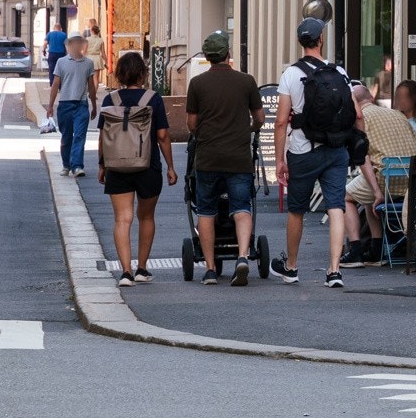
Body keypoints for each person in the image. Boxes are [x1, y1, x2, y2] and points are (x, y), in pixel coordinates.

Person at [272, 17, 360, 289]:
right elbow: (357, 114)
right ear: (321, 39)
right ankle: (334, 270)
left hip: (302, 150)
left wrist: (279, 160)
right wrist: (359, 145)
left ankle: (291, 267)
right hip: (336, 150)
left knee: (297, 210)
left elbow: (281, 121)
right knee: (335, 206)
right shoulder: (340, 72)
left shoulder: (291, 74)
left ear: (301, 42)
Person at [184, 31, 263, 286]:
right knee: (241, 207)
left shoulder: (197, 84)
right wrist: (249, 129)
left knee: (206, 210)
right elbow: (260, 118)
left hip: (208, 158)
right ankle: (242, 256)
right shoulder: (246, 81)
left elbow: (191, 124)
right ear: (228, 54)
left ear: (207, 57)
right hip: (238, 157)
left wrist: (203, 134)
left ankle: (209, 269)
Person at [98, 51, 177, 286]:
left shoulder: (110, 100)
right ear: (143, 74)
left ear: (120, 74)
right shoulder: (153, 99)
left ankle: (125, 272)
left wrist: (102, 164)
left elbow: (103, 136)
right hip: (148, 166)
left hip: (117, 166)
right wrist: (170, 166)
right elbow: (162, 136)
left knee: (122, 219)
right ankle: (142, 268)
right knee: (146, 217)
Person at [341, 82, 416, 269]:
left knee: (343, 196)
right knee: (366, 194)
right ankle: (376, 250)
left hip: (386, 181)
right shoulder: (397, 114)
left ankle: (355, 251)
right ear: (370, 98)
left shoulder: (359, 119)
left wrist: (377, 192)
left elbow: (363, 159)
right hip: (411, 182)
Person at [47, 34, 98, 178]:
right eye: (73, 43)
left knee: (80, 136)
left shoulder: (88, 63)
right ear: (69, 45)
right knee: (67, 137)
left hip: (81, 105)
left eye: (78, 42)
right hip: (65, 104)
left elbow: (91, 86)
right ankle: (66, 165)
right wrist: (50, 106)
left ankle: (77, 166)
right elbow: (55, 84)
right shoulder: (61, 62)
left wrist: (94, 105)